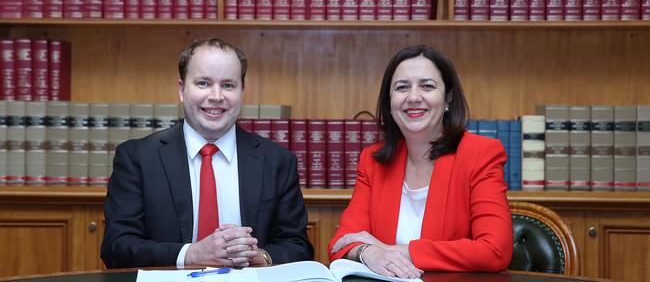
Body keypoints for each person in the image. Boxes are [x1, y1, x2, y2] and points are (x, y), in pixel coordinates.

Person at [101, 38, 313, 269]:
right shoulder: (137, 158)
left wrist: (260, 257)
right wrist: (190, 254)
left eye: (228, 85)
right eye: (203, 83)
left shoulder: (277, 161)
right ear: (182, 89)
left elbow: (298, 246)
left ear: (243, 91)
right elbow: (117, 248)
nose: (216, 96)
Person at [329, 45, 512, 279]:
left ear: (448, 97)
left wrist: (394, 251)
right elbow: (341, 243)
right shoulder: (373, 162)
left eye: (427, 86)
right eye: (402, 87)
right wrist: (369, 253)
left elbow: (494, 251)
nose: (413, 97)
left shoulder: (480, 154)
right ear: (390, 101)